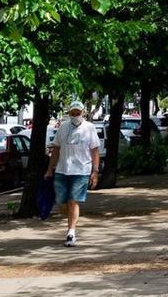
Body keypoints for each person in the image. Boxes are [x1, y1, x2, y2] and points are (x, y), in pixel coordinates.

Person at [44, 100, 101, 247]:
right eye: (73, 113)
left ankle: (71, 232)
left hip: (81, 170)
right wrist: (50, 169)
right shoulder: (63, 128)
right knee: (61, 202)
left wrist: (95, 171)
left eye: (78, 113)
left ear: (83, 113)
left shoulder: (89, 128)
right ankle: (71, 220)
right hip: (63, 170)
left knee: (73, 200)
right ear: (69, 113)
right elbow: (56, 149)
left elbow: (95, 150)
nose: (75, 115)